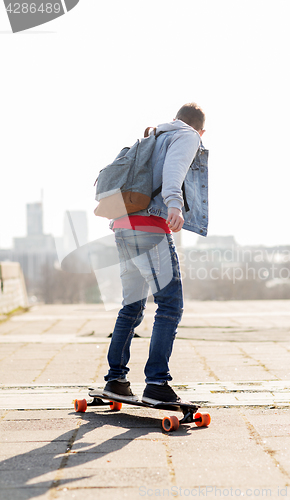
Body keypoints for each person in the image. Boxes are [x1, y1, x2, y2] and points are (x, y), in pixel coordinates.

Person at [103, 103, 207, 404]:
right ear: (201, 130)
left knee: (132, 307)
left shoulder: (153, 134)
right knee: (170, 305)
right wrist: (175, 204)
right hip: (149, 226)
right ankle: (157, 382)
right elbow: (175, 170)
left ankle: (116, 380)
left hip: (123, 225)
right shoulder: (187, 136)